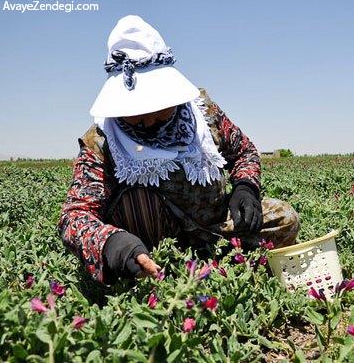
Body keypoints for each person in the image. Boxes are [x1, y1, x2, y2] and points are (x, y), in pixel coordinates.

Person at [57, 15, 300, 285]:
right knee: (137, 201)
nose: (149, 122)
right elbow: (74, 215)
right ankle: (155, 270)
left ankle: (212, 262)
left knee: (284, 218)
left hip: (215, 226)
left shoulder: (203, 113)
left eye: (158, 111)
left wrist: (245, 187)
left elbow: (244, 151)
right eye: (136, 115)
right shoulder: (102, 140)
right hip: (151, 242)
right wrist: (114, 244)